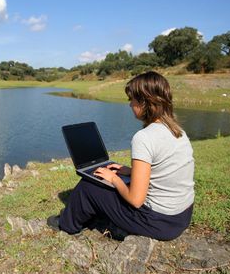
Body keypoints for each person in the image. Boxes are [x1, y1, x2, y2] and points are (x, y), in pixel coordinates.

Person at [49, 71, 195, 241]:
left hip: (158, 223)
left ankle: (66, 225)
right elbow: (166, 170)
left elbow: (135, 200)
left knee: (88, 186)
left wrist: (114, 179)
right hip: (182, 216)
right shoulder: (177, 131)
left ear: (144, 103)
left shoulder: (144, 137)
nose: (130, 105)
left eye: (131, 100)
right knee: (109, 182)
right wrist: (128, 171)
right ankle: (88, 213)